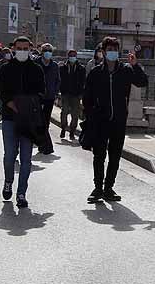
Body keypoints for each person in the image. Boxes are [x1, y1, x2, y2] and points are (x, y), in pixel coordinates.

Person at [83, 37, 148, 204]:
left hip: (119, 120)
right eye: (109, 49)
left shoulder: (126, 70)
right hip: (100, 120)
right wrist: (90, 117)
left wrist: (135, 65)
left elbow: (142, 82)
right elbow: (87, 97)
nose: (112, 52)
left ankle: (108, 188)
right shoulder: (96, 72)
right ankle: (97, 188)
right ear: (103, 52)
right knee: (99, 155)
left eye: (114, 49)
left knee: (115, 155)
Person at [0, 36, 47, 207]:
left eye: (26, 48)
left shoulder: (37, 69)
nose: (23, 51)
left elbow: (42, 93)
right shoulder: (5, 69)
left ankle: (21, 193)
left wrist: (29, 105)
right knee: (10, 155)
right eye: (20, 48)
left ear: (31, 49)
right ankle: (8, 181)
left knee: (26, 158)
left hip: (28, 120)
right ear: (14, 48)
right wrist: (14, 105)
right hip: (10, 118)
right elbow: (2, 93)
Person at [36, 42, 61, 155]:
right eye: (46, 51)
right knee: (39, 121)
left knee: (45, 121)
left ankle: (43, 144)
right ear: (42, 52)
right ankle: (45, 145)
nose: (48, 53)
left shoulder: (54, 65)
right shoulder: (36, 63)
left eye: (50, 51)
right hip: (38, 97)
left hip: (50, 97)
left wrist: (55, 92)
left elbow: (57, 80)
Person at [59, 49, 86, 140]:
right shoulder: (63, 68)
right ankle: (63, 128)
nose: (72, 57)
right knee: (64, 112)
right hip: (65, 94)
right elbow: (60, 80)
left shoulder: (81, 68)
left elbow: (83, 82)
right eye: (71, 55)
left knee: (75, 115)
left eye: (74, 55)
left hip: (76, 95)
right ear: (68, 56)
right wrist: (61, 91)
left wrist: (81, 94)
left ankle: (72, 132)